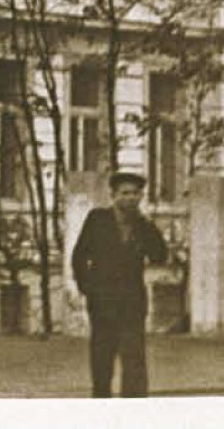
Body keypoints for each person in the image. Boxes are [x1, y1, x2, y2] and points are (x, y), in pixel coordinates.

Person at [71, 170, 168, 398]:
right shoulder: (98, 219)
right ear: (113, 196)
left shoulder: (143, 225)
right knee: (102, 357)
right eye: (125, 193)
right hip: (102, 301)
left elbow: (159, 256)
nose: (130, 198)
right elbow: (79, 256)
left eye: (135, 193)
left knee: (134, 359)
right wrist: (88, 289)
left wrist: (150, 226)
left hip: (132, 302)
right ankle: (102, 402)